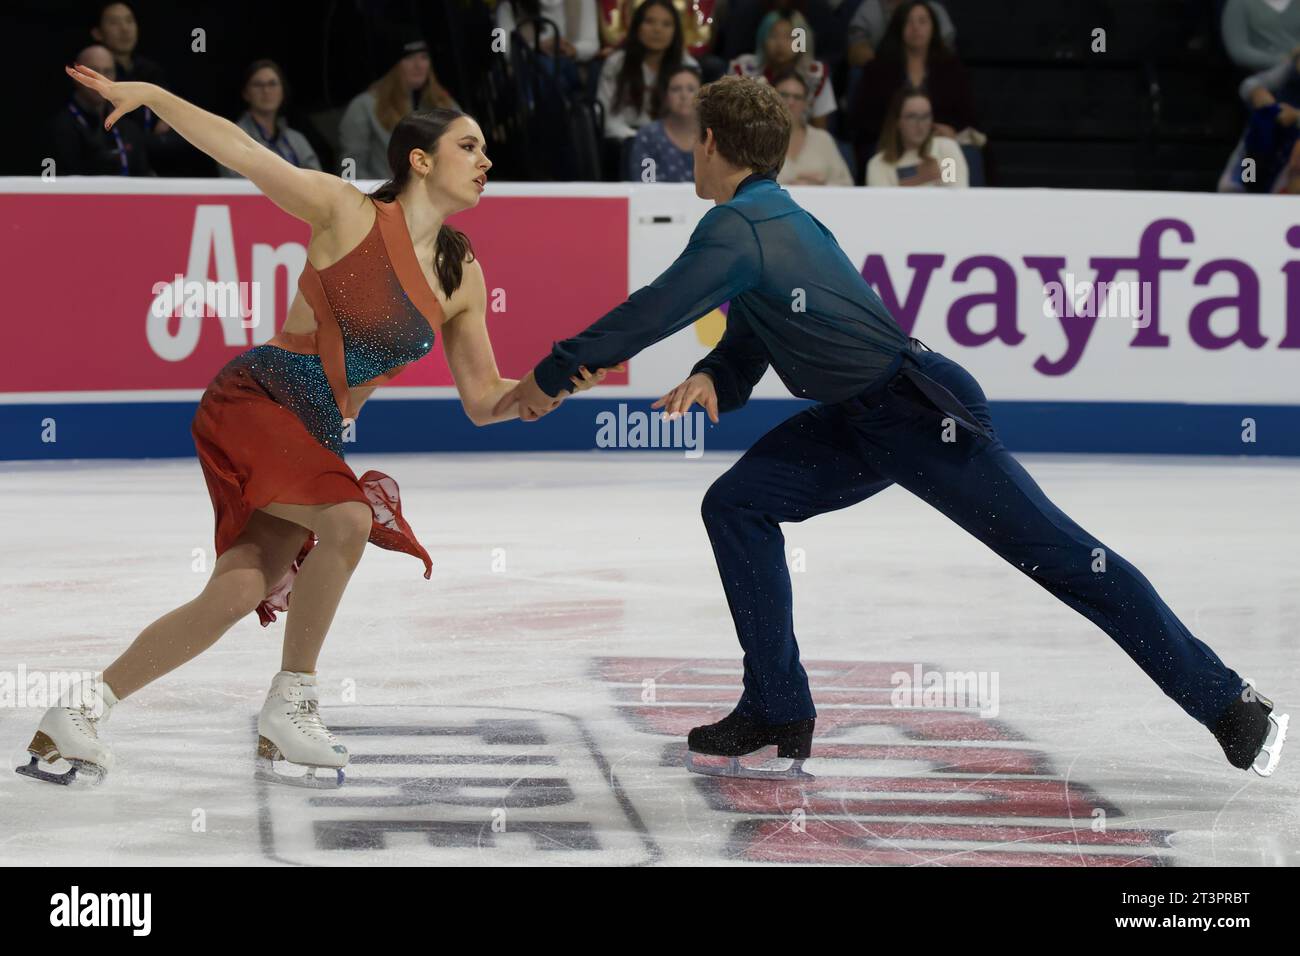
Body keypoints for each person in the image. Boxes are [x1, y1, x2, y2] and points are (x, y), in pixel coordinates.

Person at [493, 75, 1288, 781]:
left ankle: (1229, 703)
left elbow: (652, 312)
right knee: (737, 503)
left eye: (694, 144)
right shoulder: (768, 219)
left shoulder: (739, 227)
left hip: (919, 415)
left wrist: (550, 377)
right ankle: (777, 705)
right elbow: (752, 328)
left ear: (706, 143)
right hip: (859, 418)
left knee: (1062, 556)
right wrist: (714, 375)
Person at [18, 65, 611, 789]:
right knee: (349, 519)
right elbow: (244, 152)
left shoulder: (463, 275)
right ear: (420, 160)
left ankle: (77, 712)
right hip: (257, 398)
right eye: (469, 146)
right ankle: (292, 701)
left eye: (486, 149)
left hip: (314, 431)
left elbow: (485, 400)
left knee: (238, 593)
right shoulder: (345, 210)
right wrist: (153, 96)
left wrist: (545, 392)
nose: (487, 160)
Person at [339, 31, 458, 180]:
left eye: (424, 57)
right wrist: (376, 196)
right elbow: (351, 167)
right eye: (409, 58)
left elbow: (467, 151)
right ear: (392, 66)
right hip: (383, 198)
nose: (419, 65)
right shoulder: (363, 107)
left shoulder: (443, 103)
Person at [49, 44, 154, 176]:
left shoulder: (129, 129)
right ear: (75, 76)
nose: (100, 80)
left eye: (108, 71)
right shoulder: (60, 128)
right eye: (93, 71)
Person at [218, 60, 321, 178]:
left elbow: (317, 182)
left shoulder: (297, 139)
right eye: (258, 84)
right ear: (246, 93)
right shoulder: (233, 137)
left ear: (282, 91)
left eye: (272, 84)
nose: (266, 91)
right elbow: (233, 187)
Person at [865, 87, 967, 187]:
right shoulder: (879, 163)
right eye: (912, 117)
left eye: (926, 116)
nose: (920, 125)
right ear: (897, 122)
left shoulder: (946, 149)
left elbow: (955, 194)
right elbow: (884, 202)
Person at [773, 69, 853, 186]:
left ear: (806, 104)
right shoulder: (757, 141)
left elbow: (847, 185)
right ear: (772, 98)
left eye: (797, 97)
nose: (790, 102)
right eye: (784, 95)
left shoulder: (823, 139)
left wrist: (822, 186)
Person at [626, 64, 700, 181]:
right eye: (676, 89)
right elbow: (645, 186)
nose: (684, 96)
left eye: (691, 89)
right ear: (665, 96)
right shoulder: (649, 136)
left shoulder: (714, 136)